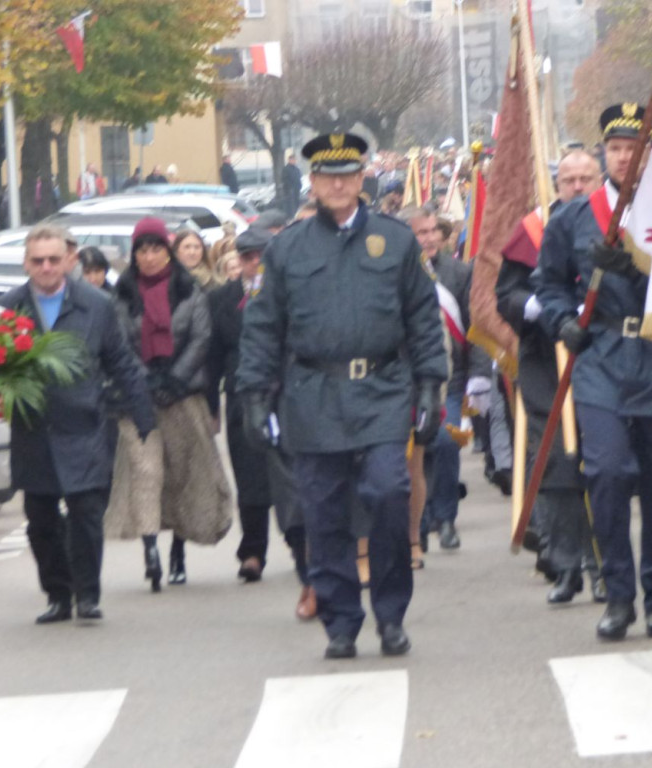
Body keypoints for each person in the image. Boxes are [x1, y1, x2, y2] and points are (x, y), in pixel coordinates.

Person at [237, 131, 448, 659]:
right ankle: (340, 620)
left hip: (382, 388)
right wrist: (255, 396)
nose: (337, 184)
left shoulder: (395, 241)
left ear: (362, 179)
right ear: (312, 181)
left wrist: (429, 386)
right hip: (314, 393)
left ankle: (391, 614)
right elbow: (262, 328)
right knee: (324, 513)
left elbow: (423, 319)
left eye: (348, 175)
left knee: (388, 493)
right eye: (327, 176)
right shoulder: (287, 248)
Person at [535, 104, 652, 640]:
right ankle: (619, 594)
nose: (625, 157)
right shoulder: (575, 217)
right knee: (605, 473)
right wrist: (562, 322)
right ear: (605, 152)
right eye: (617, 148)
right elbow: (549, 283)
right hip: (602, 357)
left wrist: (637, 271)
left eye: (635, 148)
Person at [0, 224, 156, 623]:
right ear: (26, 263)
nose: (47, 267)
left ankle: (87, 594)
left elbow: (120, 360)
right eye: (38, 260)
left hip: (84, 426)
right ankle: (58, 594)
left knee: (86, 514)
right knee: (41, 520)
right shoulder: (8, 309)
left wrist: (142, 412)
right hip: (33, 431)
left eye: (54, 259)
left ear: (68, 261)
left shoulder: (96, 305)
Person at [496, 148, 605, 604]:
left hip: (601, 359)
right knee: (557, 464)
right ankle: (565, 565)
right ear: (556, 184)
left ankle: (603, 565)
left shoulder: (613, 221)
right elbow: (506, 294)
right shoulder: (534, 229)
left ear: (598, 179)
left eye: (586, 178)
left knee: (601, 465)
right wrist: (540, 308)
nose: (577, 186)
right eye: (569, 179)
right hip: (547, 362)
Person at [107, 217, 233, 589]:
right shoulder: (122, 293)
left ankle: (179, 549)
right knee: (147, 472)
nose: (149, 257)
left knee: (182, 472)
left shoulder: (188, 288)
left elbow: (201, 337)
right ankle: (151, 550)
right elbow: (118, 343)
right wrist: (144, 380)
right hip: (137, 399)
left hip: (183, 394)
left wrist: (175, 379)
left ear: (167, 251)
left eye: (156, 249)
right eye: (142, 250)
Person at [402, 203, 489, 552]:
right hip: (407, 381)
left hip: (450, 379)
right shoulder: (396, 272)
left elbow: (475, 326)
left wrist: (479, 375)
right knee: (413, 453)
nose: (429, 238)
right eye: (420, 232)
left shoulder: (459, 273)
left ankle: (446, 517)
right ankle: (420, 525)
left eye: (433, 231)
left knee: (445, 442)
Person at [207, 226, 278, 582]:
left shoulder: (289, 292)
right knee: (250, 477)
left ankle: (307, 543)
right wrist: (211, 406)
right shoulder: (222, 299)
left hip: (286, 395)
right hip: (241, 396)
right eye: (248, 257)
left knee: (295, 475)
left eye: (261, 256)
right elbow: (212, 357)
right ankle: (252, 551)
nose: (254, 263)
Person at [281, 149, 302, 219]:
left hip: (296, 190)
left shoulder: (296, 169)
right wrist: (290, 187)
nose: (294, 161)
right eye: (293, 159)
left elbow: (299, 178)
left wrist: (299, 186)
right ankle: (290, 217)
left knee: (296, 204)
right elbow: (285, 180)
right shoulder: (286, 169)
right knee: (290, 205)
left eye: (295, 159)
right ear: (289, 160)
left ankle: (296, 215)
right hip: (289, 191)